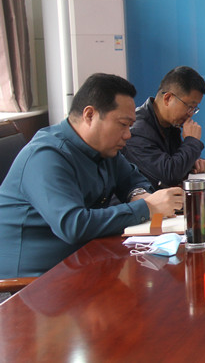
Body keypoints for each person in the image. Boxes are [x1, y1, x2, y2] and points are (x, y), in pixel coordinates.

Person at [0, 73, 183, 278]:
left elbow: (133, 179)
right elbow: (73, 225)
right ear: (89, 115)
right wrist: (146, 207)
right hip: (34, 280)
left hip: (81, 261)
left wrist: (139, 195)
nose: (128, 135)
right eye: (123, 124)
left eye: (130, 126)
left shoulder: (104, 149)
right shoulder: (46, 156)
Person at [122, 66, 205, 188]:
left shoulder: (170, 124)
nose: (190, 114)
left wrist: (193, 163)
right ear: (168, 98)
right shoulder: (136, 131)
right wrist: (192, 142)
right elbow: (169, 175)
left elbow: (173, 161)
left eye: (194, 109)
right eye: (189, 106)